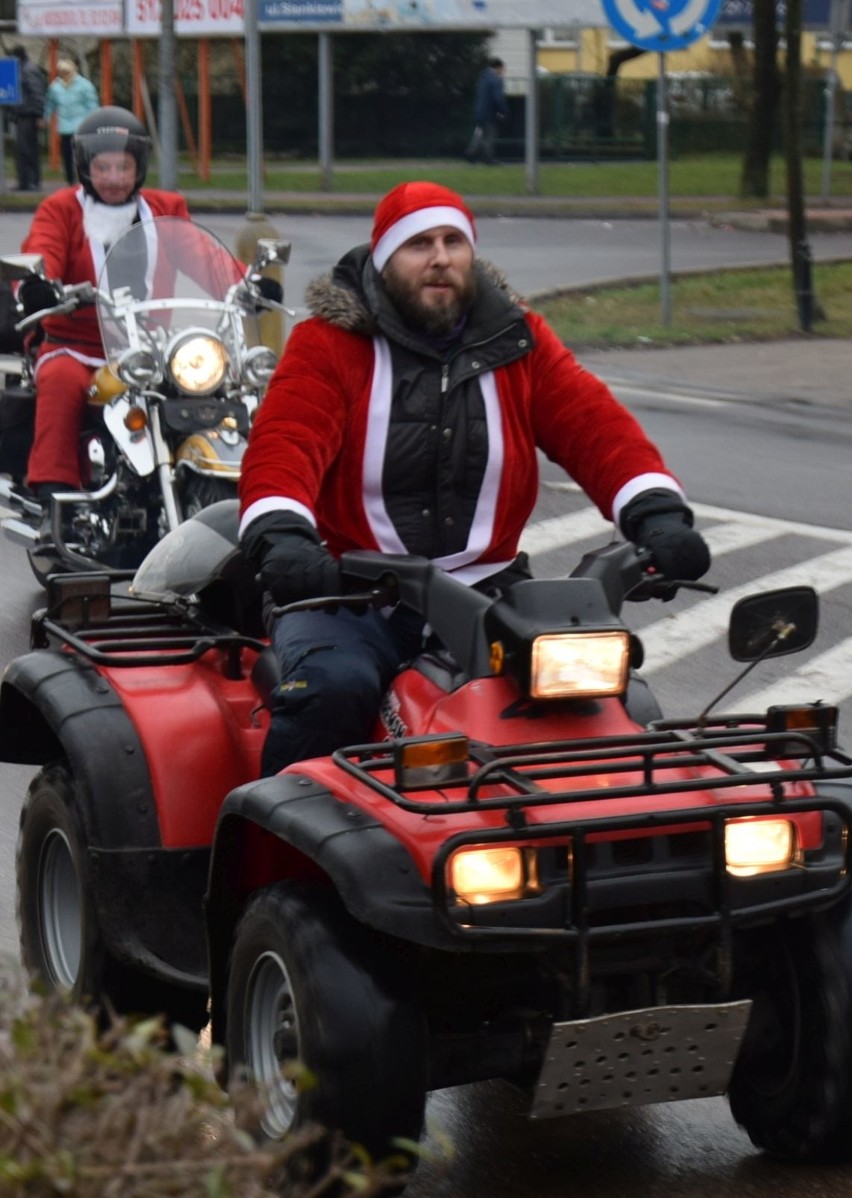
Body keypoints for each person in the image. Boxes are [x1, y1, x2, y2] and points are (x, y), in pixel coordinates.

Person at [238, 180, 711, 777]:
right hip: (350, 593)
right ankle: (278, 857)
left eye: (452, 241)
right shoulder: (329, 344)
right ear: (385, 263)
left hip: (486, 594)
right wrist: (283, 537)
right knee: (332, 692)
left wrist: (657, 513)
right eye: (418, 244)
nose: (439, 257)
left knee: (595, 705)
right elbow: (285, 444)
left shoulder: (519, 341)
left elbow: (596, 428)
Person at [17, 106, 198, 502]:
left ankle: (203, 481)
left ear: (139, 168)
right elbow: (42, 249)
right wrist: (37, 283)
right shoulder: (61, 208)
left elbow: (198, 253)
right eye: (103, 168)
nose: (114, 178)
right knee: (61, 380)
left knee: (206, 385)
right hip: (77, 346)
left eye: (123, 167)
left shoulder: (167, 208)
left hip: (151, 348)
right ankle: (54, 493)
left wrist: (251, 282)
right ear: (85, 168)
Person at [44, 58, 99, 185]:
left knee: (82, 155)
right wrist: (46, 117)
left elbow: (92, 104)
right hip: (65, 127)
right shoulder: (55, 87)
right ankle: (70, 180)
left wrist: (94, 120)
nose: (64, 75)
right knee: (67, 155)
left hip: (82, 125)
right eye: (61, 72)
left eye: (66, 72)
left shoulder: (84, 85)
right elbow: (50, 104)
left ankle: (85, 178)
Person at [10, 45, 46, 192]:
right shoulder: (23, 69)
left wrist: (39, 115)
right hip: (22, 115)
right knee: (22, 150)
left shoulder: (28, 70)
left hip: (29, 115)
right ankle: (24, 182)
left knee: (27, 150)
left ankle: (31, 182)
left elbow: (37, 93)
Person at [464, 56, 508, 165]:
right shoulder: (495, 80)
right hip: (489, 113)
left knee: (480, 134)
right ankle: (488, 158)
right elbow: (497, 98)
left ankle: (471, 153)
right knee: (489, 135)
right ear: (498, 67)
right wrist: (504, 111)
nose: (503, 72)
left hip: (480, 111)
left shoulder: (483, 78)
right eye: (502, 69)